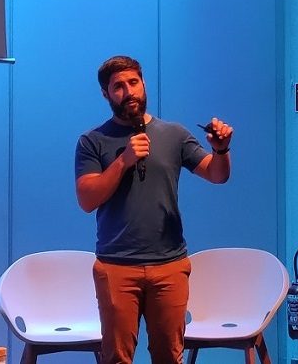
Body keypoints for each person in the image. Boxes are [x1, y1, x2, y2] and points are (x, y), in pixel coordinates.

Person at [74, 55, 233, 364]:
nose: (128, 91)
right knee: (116, 358)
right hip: (117, 266)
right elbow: (87, 199)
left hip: (169, 265)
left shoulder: (174, 134)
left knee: (169, 357)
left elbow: (217, 174)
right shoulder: (93, 141)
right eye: (118, 87)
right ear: (106, 94)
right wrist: (123, 161)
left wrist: (221, 149)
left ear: (144, 84)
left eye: (133, 82)